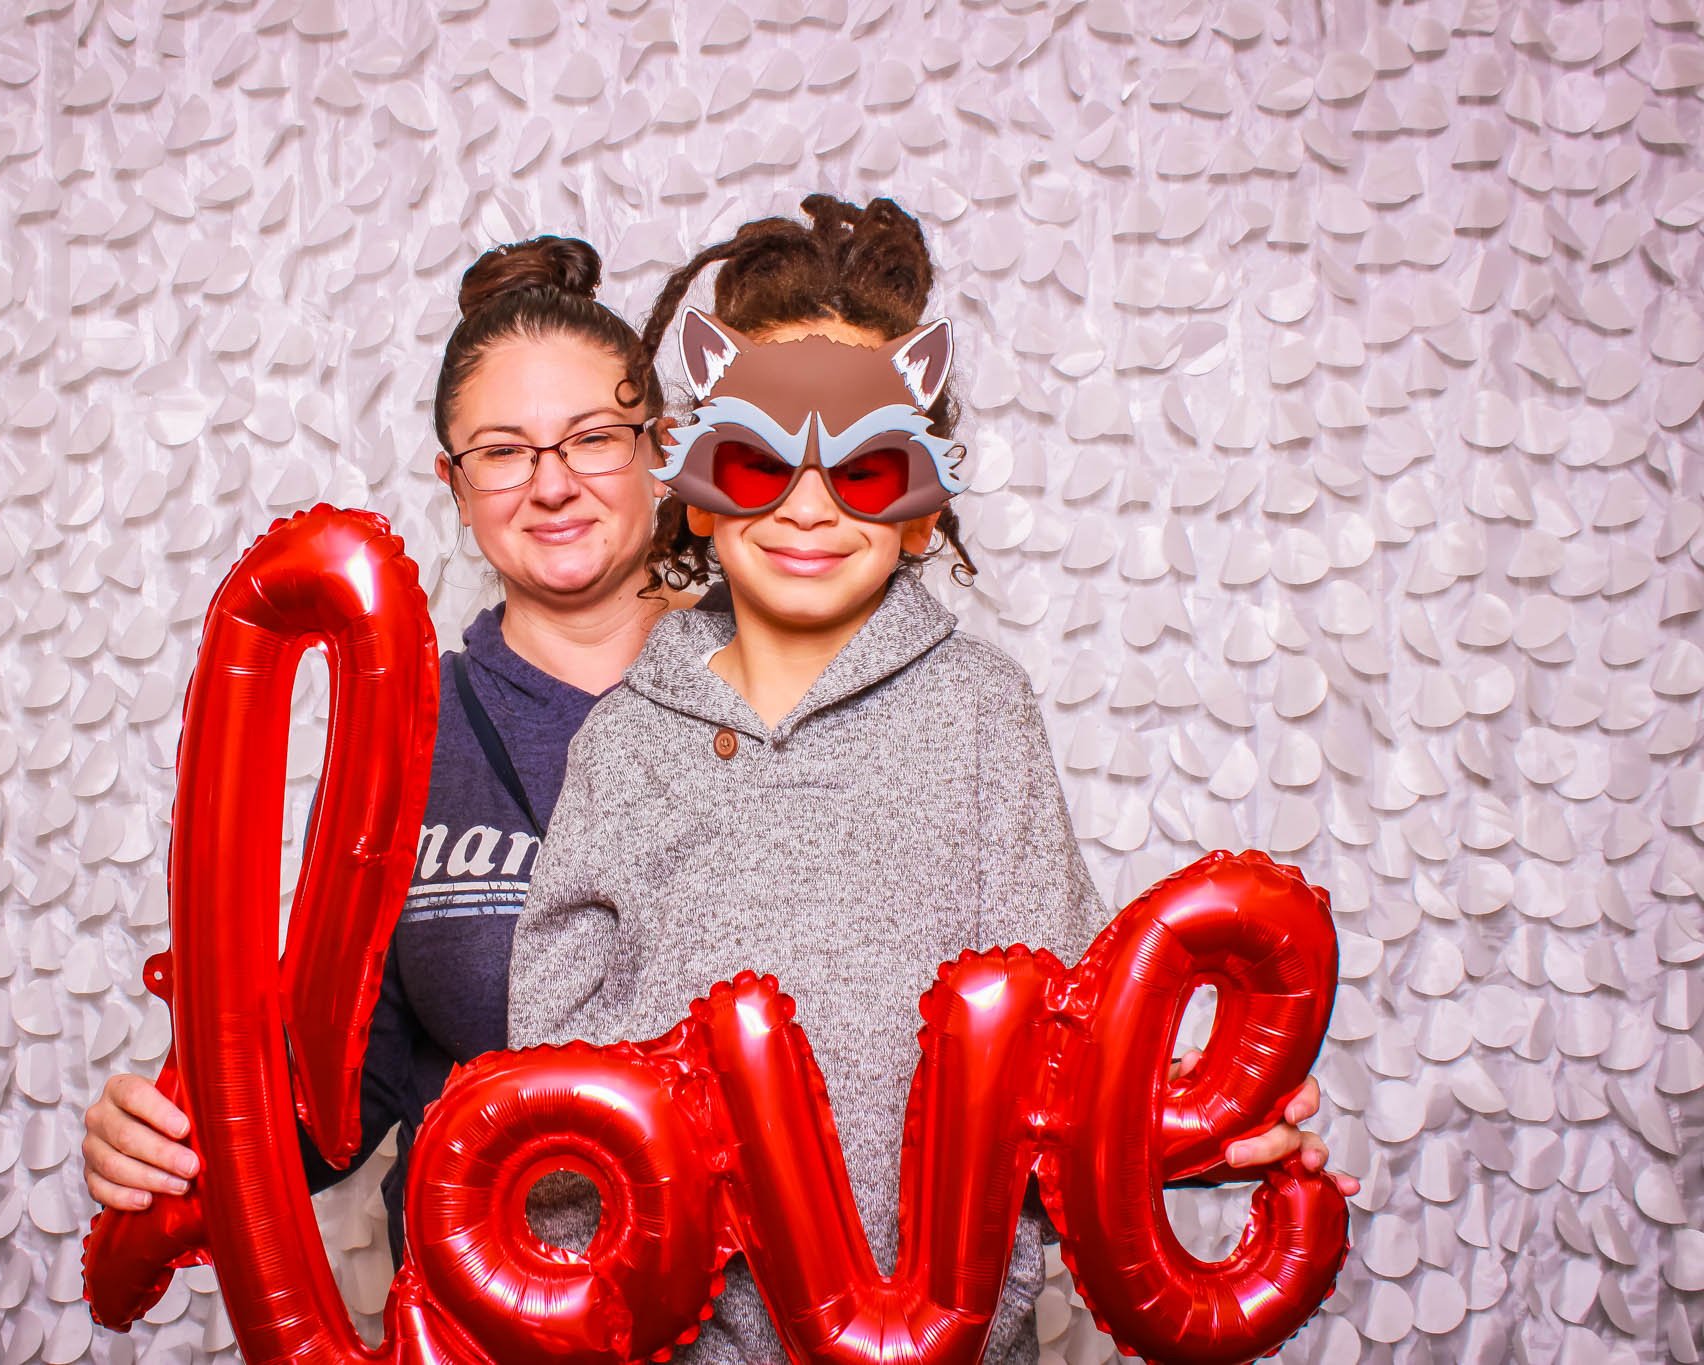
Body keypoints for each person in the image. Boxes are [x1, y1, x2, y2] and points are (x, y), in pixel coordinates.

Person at [506, 195, 1358, 1363]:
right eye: (760, 460)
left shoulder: (978, 716)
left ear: (922, 512)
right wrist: (613, 1286)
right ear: (697, 490)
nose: (807, 505)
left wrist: (1194, 1137)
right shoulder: (623, 739)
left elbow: (1069, 1040)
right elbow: (548, 1058)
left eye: (863, 471)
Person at [82, 235, 709, 1266]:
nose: (550, 486)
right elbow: (343, 1090)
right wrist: (172, 1145)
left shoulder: (775, 691)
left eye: (592, 437)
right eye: (502, 451)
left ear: (658, 447)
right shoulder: (408, 735)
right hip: (482, 1322)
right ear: (454, 485)